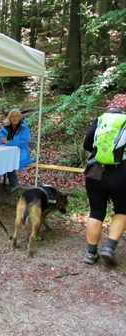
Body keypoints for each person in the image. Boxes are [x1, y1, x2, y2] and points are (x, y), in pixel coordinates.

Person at [82, 94, 126, 266]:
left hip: (96, 173)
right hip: (122, 173)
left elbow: (87, 144)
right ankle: (109, 247)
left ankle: (91, 253)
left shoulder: (100, 120)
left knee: (96, 212)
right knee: (122, 211)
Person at [0, 108, 32, 196]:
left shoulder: (24, 128)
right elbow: (1, 139)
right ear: (9, 118)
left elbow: (23, 142)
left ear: (20, 117)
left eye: (17, 116)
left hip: (20, 153)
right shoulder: (5, 128)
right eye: (12, 116)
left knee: (5, 163)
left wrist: (9, 142)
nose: (15, 118)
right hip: (6, 153)